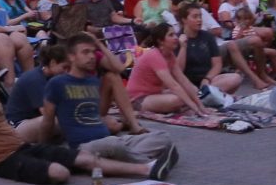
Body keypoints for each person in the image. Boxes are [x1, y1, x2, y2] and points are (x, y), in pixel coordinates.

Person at [0, 53, 172, 185]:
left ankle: (145, 169)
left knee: (84, 157)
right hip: (3, 160)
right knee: (60, 173)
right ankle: (138, 163)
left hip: (21, 148)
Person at [40, 37, 178, 169]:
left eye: (93, 52)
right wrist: (41, 150)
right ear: (71, 56)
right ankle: (149, 164)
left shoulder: (93, 81)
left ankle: (121, 160)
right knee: (113, 145)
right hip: (84, 147)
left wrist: (100, 45)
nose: (92, 56)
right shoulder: (57, 83)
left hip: (108, 140)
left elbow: (118, 70)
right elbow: (47, 121)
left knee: (162, 137)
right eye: (85, 52)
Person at [126, 24, 213, 117]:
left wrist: (200, 106)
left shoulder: (170, 55)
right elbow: (174, 86)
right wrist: (195, 108)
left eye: (175, 34)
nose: (176, 38)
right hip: (137, 100)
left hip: (154, 94)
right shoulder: (154, 56)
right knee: (177, 100)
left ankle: (180, 108)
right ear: (160, 41)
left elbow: (183, 80)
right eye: (171, 35)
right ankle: (181, 108)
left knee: (194, 90)